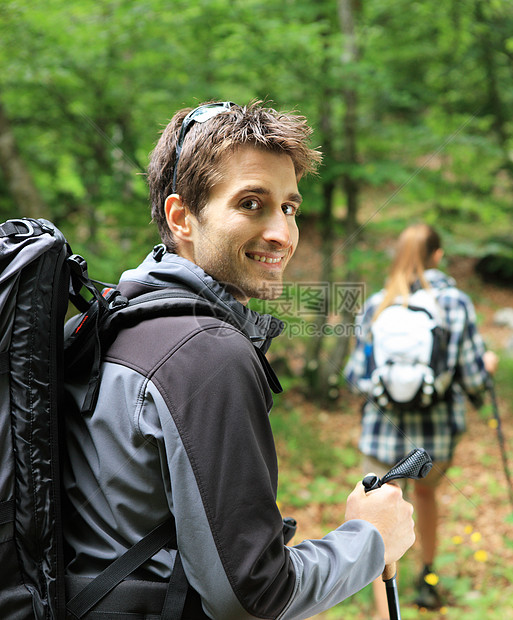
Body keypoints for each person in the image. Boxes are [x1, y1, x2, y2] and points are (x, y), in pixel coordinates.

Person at [63, 100, 415, 619]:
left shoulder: (111, 323)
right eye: (252, 203)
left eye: (289, 208)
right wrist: (372, 539)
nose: (282, 233)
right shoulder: (205, 354)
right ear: (181, 217)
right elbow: (250, 596)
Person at [344, 223, 498, 618]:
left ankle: (383, 610)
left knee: (378, 511)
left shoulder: (379, 302)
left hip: (381, 432)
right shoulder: (456, 303)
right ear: (438, 256)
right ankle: (428, 579)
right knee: (427, 496)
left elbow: (355, 376)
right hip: (437, 434)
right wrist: (487, 370)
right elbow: (473, 376)